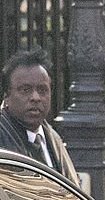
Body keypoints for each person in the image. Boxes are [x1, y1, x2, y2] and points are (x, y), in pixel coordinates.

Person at [0, 48, 78, 185]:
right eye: (25, 90)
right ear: (6, 95)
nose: (35, 97)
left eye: (42, 90)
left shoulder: (53, 138)